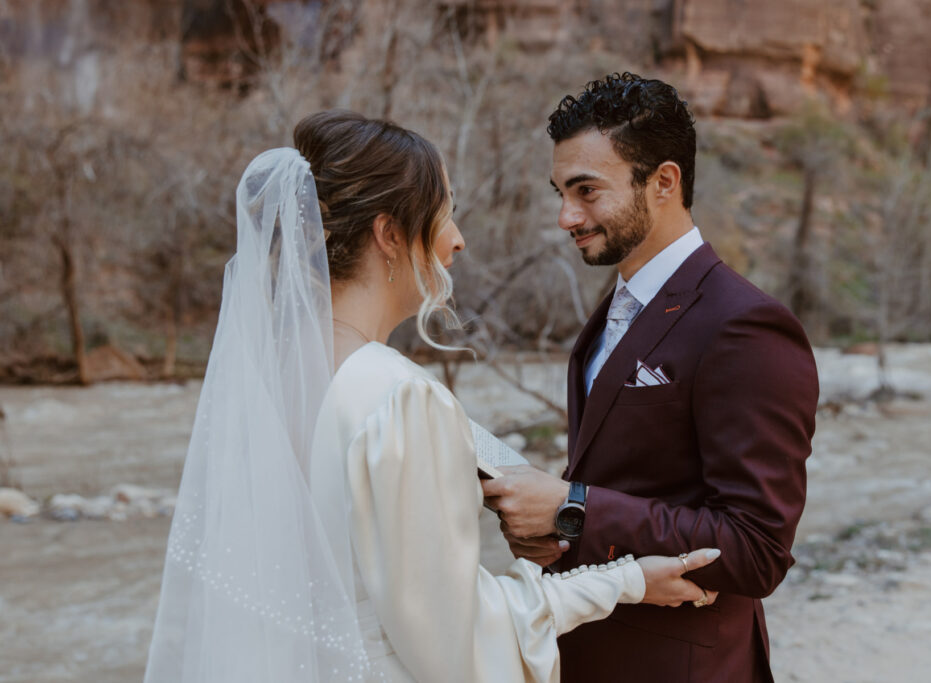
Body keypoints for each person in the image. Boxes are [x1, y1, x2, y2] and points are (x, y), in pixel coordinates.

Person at [143, 109, 723, 683]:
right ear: (390, 233)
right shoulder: (398, 399)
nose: (458, 241)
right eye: (446, 213)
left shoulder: (267, 379)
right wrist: (624, 582)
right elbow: (460, 641)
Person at [482, 73, 819, 681]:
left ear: (664, 182)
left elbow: (756, 549)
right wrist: (556, 531)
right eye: (560, 191)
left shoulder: (745, 325)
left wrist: (573, 508)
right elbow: (630, 478)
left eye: (587, 191)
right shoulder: (611, 312)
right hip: (593, 648)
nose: (565, 215)